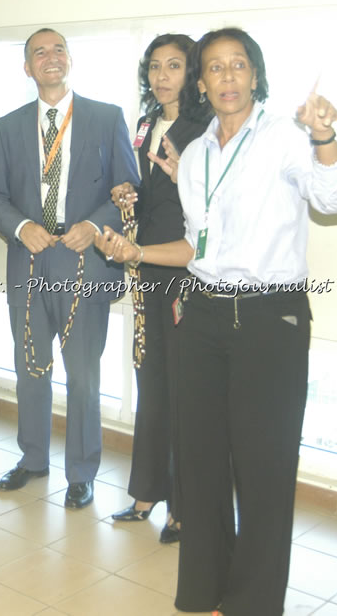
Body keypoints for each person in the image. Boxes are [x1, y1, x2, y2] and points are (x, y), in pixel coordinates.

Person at [95, 27, 337, 615]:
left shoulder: (288, 139)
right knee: (203, 461)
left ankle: (252, 604)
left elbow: (334, 198)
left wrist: (325, 136)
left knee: (264, 470)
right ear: (202, 81)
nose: (227, 77)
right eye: (214, 68)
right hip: (206, 313)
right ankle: (205, 595)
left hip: (270, 318)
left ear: (256, 75)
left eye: (238, 65)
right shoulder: (195, 156)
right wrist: (135, 253)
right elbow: (196, 246)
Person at [0, 28, 139, 508]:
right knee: (31, 370)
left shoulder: (106, 117)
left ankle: (82, 472)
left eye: (58, 50)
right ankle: (32, 459)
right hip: (30, 263)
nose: (50, 58)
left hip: (84, 265)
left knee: (83, 377)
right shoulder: (9, 126)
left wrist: (94, 225)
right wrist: (21, 225)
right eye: (38, 53)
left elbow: (129, 188)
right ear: (27, 68)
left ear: (69, 60)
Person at [109, 34, 210, 543]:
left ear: (192, 72)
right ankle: (146, 489)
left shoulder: (206, 124)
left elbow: (201, 198)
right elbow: (155, 189)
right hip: (145, 261)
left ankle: (184, 505)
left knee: (182, 388)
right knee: (150, 377)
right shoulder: (148, 121)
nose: (162, 75)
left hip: (184, 265)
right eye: (154, 66)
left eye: (174, 65)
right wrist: (130, 191)